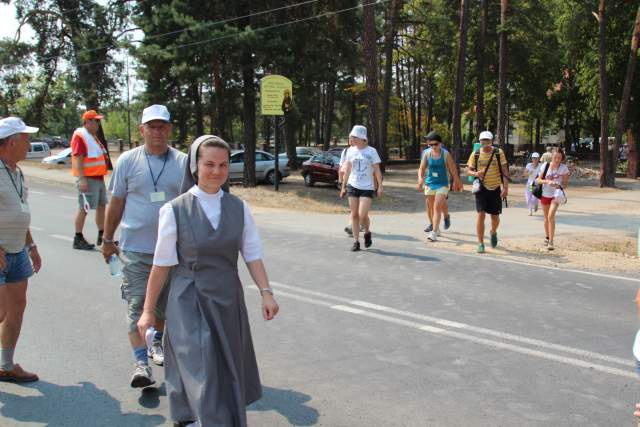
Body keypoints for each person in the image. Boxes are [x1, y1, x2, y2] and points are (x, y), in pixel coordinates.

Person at [137, 135, 279, 426]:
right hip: (189, 300)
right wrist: (148, 311)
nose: (216, 171)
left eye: (223, 165)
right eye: (209, 164)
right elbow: (161, 266)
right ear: (194, 166)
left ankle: (194, 419)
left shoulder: (239, 208)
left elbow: (252, 254)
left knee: (225, 368)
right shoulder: (174, 210)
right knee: (202, 370)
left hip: (228, 299)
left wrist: (266, 292)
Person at [101, 105, 187, 388]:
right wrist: (107, 239)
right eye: (152, 126)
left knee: (161, 311)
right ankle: (141, 365)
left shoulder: (183, 163)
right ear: (142, 130)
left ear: (170, 129)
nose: (157, 131)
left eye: (162, 126)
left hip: (172, 252)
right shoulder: (128, 160)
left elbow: (191, 205)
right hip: (136, 250)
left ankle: (154, 346)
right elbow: (116, 202)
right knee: (138, 308)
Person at [0, 117, 42, 382]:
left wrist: (32, 245)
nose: (29, 143)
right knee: (1, 310)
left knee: (17, 307)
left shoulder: (17, 172)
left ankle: (6, 364)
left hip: (17, 252)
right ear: (12, 142)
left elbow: (20, 212)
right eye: (25, 138)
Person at [70, 110, 110, 250]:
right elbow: (79, 157)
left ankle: (102, 235)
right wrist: (82, 179)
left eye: (98, 121)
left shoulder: (92, 136)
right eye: (96, 121)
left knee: (101, 206)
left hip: (98, 177)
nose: (98, 124)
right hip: (87, 178)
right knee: (84, 208)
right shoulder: (80, 136)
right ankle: (78, 237)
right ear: (87, 122)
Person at [340, 125, 383, 251]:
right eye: (352, 137)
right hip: (352, 185)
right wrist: (343, 186)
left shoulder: (371, 151)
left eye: (354, 137)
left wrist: (380, 186)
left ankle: (367, 232)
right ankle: (356, 241)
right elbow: (347, 169)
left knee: (362, 215)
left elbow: (377, 170)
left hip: (367, 187)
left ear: (362, 138)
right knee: (354, 215)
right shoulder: (351, 151)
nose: (352, 140)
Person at [466, 130, 509, 253]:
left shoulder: (498, 153)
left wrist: (505, 188)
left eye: (487, 141)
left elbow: (505, 171)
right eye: (482, 141)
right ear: (479, 142)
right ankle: (480, 243)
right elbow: (468, 171)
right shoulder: (476, 154)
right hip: (481, 188)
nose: (485, 143)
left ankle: (493, 232)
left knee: (495, 218)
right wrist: (476, 173)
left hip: (495, 188)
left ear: (491, 141)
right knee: (481, 215)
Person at [417, 131, 463, 242]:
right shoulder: (427, 153)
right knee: (431, 207)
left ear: (440, 144)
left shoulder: (445, 154)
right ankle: (436, 226)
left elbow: (452, 169)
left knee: (437, 206)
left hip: (442, 184)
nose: (433, 146)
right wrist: (420, 179)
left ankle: (433, 232)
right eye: (430, 144)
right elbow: (422, 168)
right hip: (430, 183)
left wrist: (457, 182)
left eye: (435, 144)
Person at [536, 148, 569, 251]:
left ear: (562, 158)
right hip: (545, 193)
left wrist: (558, 185)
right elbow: (538, 180)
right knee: (546, 218)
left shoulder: (564, 168)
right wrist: (547, 181)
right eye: (555, 157)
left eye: (559, 157)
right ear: (552, 156)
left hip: (556, 195)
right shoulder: (545, 166)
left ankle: (551, 242)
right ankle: (547, 237)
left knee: (551, 216)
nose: (557, 159)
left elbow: (565, 184)